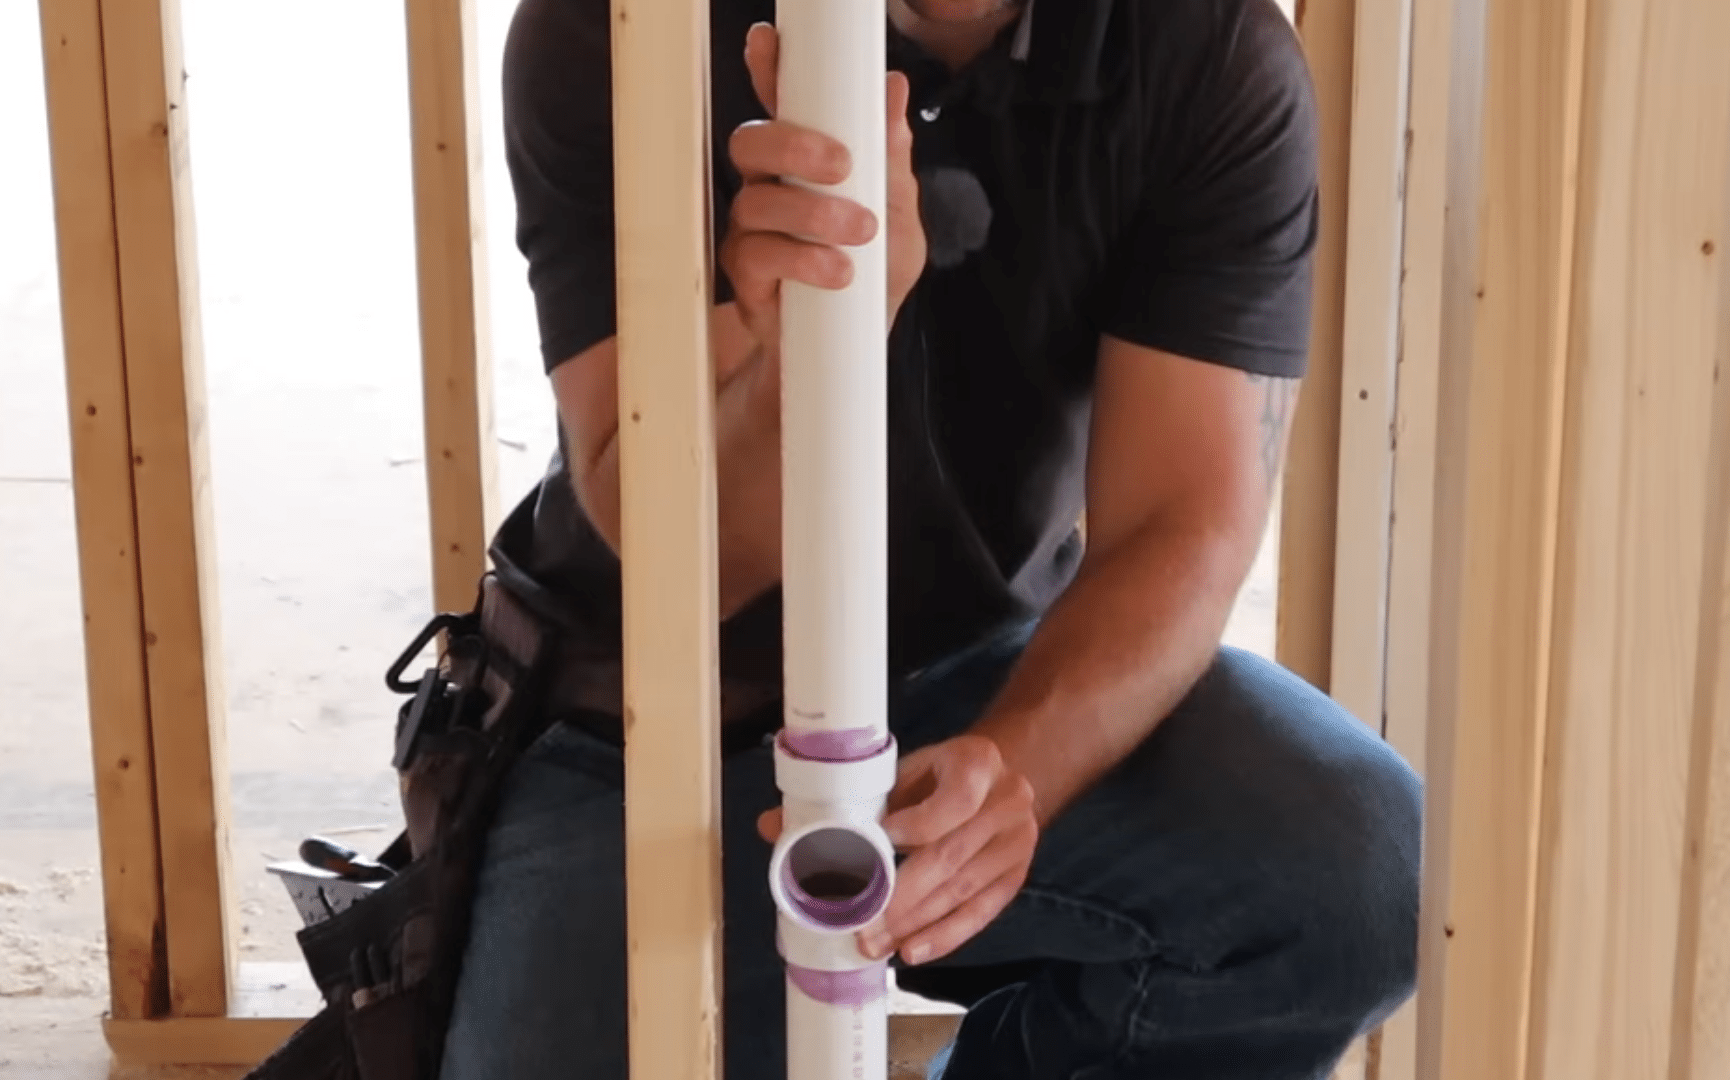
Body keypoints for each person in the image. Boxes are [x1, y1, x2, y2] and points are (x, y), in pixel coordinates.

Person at [441, 0, 1422, 1076]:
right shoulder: (621, 28)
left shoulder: (1205, 50)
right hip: (642, 719)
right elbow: (700, 569)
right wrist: (818, 342)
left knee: (1357, 871)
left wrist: (1016, 779)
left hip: (980, 685)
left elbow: (1178, 519)